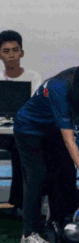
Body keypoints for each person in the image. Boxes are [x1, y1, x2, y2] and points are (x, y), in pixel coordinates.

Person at [13, 60, 79, 243]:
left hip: (51, 130)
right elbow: (68, 140)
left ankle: (61, 221)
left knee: (66, 171)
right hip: (29, 129)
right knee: (37, 177)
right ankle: (29, 234)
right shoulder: (59, 89)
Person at [0, 30, 42, 212]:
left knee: (21, 148)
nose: (11, 55)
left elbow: (35, 108)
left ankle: (17, 202)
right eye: (6, 51)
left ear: (22, 53)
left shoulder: (33, 78)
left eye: (15, 50)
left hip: (21, 133)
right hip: (1, 133)